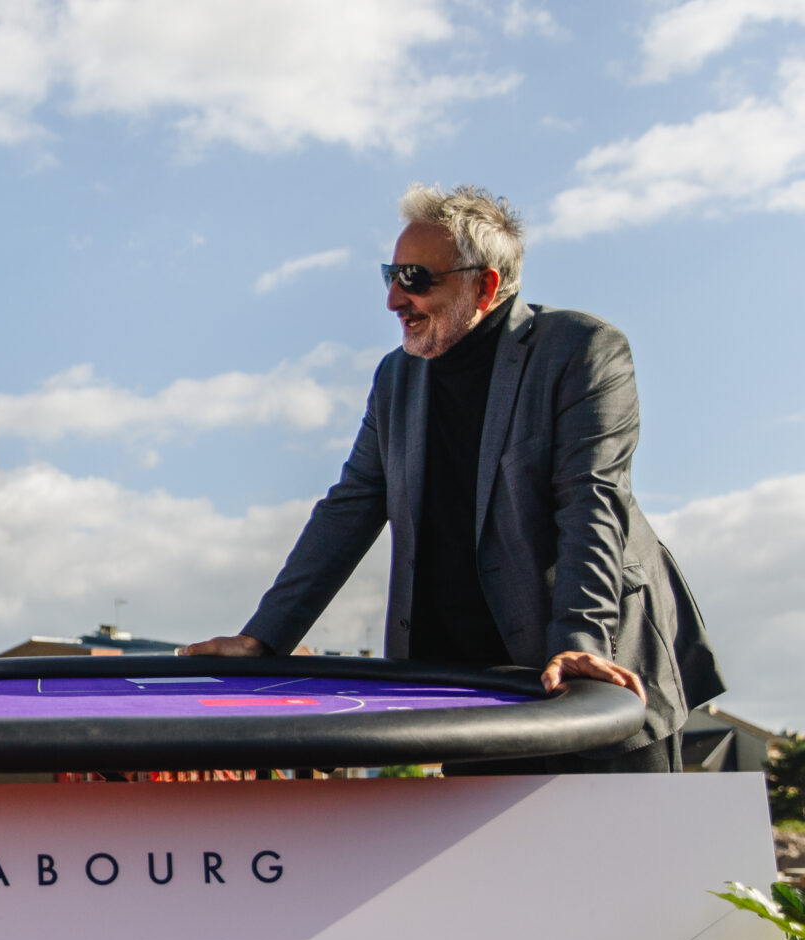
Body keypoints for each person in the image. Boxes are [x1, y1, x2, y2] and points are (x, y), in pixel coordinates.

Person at [185, 184, 721, 772]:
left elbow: (590, 500)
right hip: (469, 687)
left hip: (594, 673)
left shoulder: (584, 349)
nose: (394, 299)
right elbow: (350, 507)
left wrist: (578, 644)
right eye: (390, 275)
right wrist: (262, 639)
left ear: (484, 286)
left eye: (415, 278)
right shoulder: (395, 378)